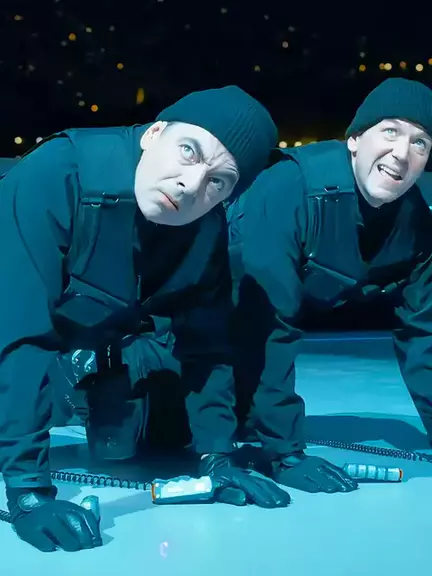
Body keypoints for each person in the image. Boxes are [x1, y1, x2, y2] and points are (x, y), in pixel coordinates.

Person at [0, 85, 291, 553]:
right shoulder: (58, 173)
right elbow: (19, 331)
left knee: (171, 432)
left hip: (87, 329)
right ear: (154, 134)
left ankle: (83, 382)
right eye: (189, 151)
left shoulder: (205, 227)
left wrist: (217, 456)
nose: (191, 184)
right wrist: (28, 491)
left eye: (219, 181)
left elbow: (207, 345)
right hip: (15, 314)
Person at [229, 78, 432, 495]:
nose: (402, 152)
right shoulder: (290, 187)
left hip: (267, 323)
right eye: (390, 131)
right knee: (155, 435)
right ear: (354, 140)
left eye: (420, 143)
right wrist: (284, 452)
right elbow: (266, 321)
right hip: (198, 324)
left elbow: (425, 332)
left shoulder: (416, 222)